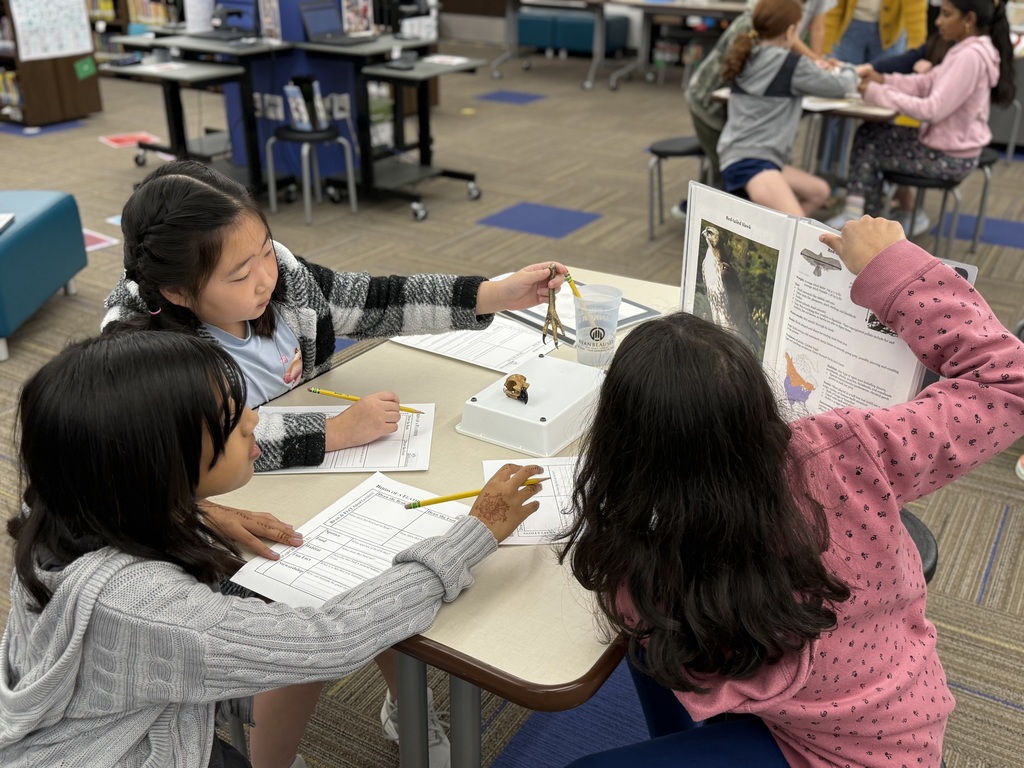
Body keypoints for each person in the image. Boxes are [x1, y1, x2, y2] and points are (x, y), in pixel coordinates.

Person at [101, 159, 567, 768]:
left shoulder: (275, 271)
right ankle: (272, 757)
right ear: (178, 292)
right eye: (242, 273)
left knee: (387, 570)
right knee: (312, 627)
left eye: (266, 251)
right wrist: (326, 435)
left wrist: (492, 293)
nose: (267, 276)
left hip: (311, 489)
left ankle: (410, 705)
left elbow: (366, 299)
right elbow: (158, 460)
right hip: (204, 523)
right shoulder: (135, 347)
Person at [557, 215, 1024, 767]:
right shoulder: (851, 448)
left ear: (618, 445)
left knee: (625, 690)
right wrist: (895, 268)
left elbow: (648, 614)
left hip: (845, 755)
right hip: (897, 716)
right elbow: (1007, 380)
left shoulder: (650, 577)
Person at [0, 330, 545, 768]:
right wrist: (472, 534)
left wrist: (200, 510)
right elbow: (332, 640)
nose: (255, 420)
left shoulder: (63, 514)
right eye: (233, 419)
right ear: (157, 464)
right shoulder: (145, 606)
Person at [829, 0, 1015, 225]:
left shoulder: (970, 57)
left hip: (951, 158)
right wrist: (883, 80)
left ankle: (860, 218)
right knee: (872, 133)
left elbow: (931, 109)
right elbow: (925, 82)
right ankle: (865, 217)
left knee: (870, 142)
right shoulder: (965, 49)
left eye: (946, 15)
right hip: (948, 148)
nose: (938, 21)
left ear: (969, 19)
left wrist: (877, 92)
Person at [716, 0, 858, 217]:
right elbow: (839, 86)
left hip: (740, 155)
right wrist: (850, 70)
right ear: (791, 30)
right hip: (753, 162)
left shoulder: (745, 54)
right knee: (798, 227)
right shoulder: (791, 64)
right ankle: (780, 241)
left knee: (819, 191)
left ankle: (774, 237)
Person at [685, 0, 837, 196]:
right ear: (790, 30)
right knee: (729, 178)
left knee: (736, 173)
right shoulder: (762, 25)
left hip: (738, 115)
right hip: (709, 104)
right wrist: (816, 64)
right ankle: (698, 210)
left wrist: (817, 65)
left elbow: (817, 28)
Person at [815, 0, 927, 174]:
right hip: (849, 28)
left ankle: (878, 182)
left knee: (884, 108)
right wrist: (826, 46)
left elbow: (915, 7)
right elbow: (834, 6)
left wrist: (918, 50)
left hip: (890, 34)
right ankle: (828, 177)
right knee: (836, 102)